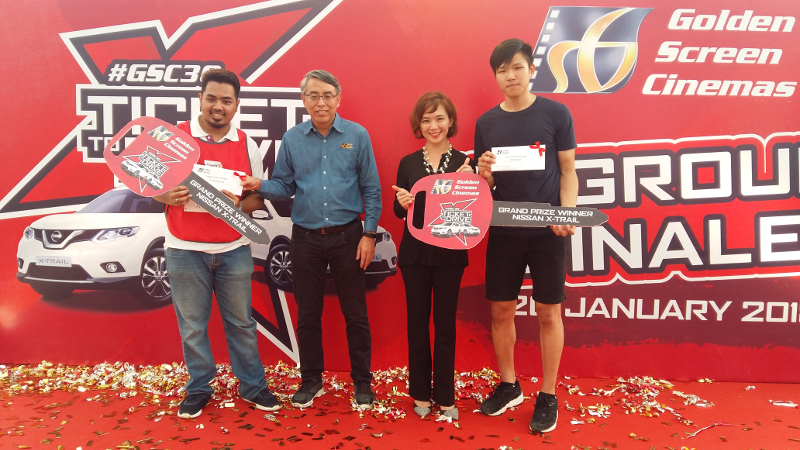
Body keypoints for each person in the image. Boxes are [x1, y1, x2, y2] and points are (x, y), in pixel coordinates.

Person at [240, 70, 382, 409]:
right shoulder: (292, 139)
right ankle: (311, 380)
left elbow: (372, 190)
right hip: (304, 239)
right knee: (307, 315)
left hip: (349, 237)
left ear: (338, 98)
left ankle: (362, 383)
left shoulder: (357, 135)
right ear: (303, 99)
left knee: (356, 315)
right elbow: (284, 187)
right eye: (313, 95)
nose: (321, 102)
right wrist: (259, 185)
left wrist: (369, 234)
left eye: (327, 95)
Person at [154, 68, 280, 419]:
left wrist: (237, 204)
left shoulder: (246, 144)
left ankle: (253, 386)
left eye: (226, 100)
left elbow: (258, 198)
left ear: (236, 104)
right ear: (200, 99)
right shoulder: (174, 139)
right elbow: (151, 187)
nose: (218, 106)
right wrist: (168, 195)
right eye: (212, 98)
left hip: (234, 248)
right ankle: (198, 388)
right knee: (192, 326)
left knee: (241, 323)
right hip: (183, 248)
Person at [474, 39, 578, 433]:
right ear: (496, 76)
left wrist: (567, 211)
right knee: (501, 310)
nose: (510, 76)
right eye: (502, 70)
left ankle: (548, 394)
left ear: (531, 70)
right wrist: (483, 173)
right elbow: (487, 183)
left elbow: (568, 170)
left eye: (517, 67)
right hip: (503, 227)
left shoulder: (555, 113)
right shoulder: (486, 123)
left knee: (549, 311)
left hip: (548, 227)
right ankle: (509, 384)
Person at [392, 92, 474, 421]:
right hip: (414, 253)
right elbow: (398, 213)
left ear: (450, 121)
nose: (433, 125)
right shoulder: (408, 163)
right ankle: (420, 394)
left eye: (439, 118)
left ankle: (445, 396)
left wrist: (475, 183)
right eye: (426, 120)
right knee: (416, 324)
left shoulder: (464, 162)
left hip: (450, 253)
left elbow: (475, 212)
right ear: (419, 125)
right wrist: (403, 202)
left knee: (444, 326)